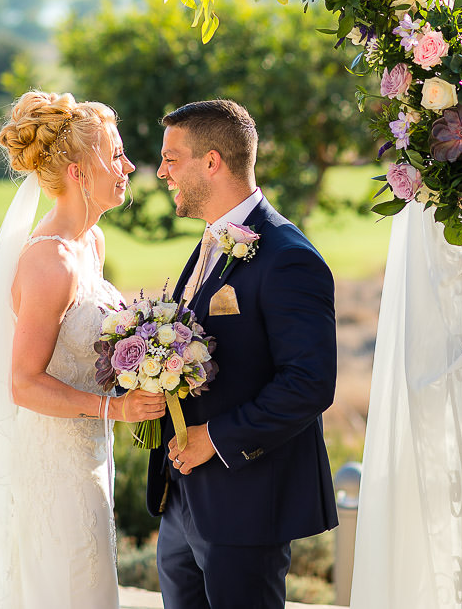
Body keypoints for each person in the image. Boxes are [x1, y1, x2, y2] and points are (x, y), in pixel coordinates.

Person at [0, 92, 165, 608]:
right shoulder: (51, 264)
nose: (129, 166)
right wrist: (118, 407)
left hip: (90, 453)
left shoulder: (92, 243)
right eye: (115, 154)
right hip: (53, 465)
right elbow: (24, 384)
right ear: (78, 171)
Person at [147, 99, 339, 609]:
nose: (161, 172)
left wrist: (216, 438)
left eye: (171, 158)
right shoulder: (210, 243)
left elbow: (309, 382)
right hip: (182, 498)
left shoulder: (289, 258)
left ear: (212, 162)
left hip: (246, 496)